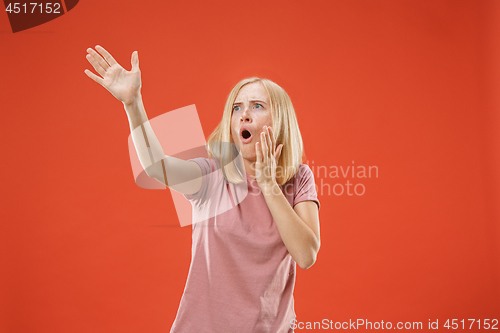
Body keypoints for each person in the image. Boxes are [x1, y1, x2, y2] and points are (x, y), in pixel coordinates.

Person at [84, 45, 321, 333]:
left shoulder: (299, 179)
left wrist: (268, 184)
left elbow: (306, 255)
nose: (244, 115)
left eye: (257, 106)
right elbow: (156, 167)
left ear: (279, 119)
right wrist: (133, 104)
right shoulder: (212, 175)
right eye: (237, 108)